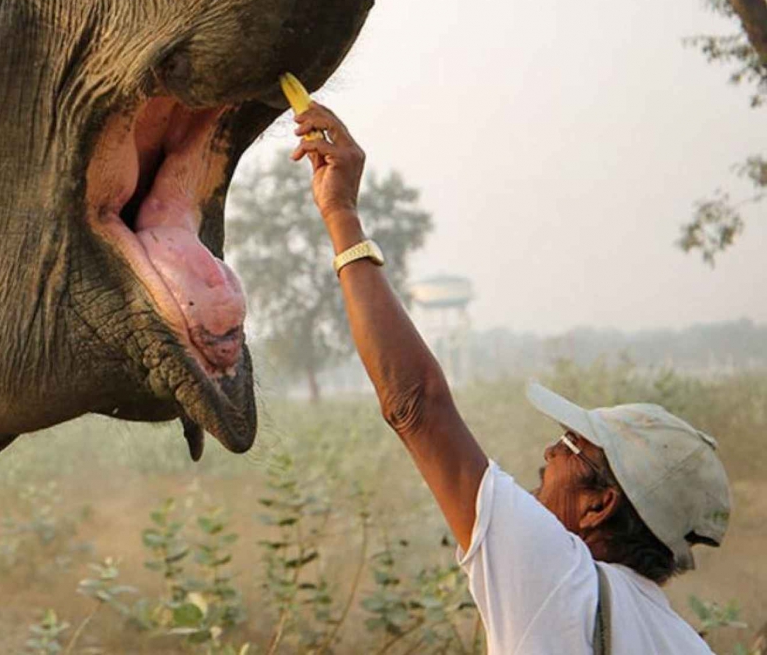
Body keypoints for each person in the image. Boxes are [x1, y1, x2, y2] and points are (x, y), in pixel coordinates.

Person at [289, 102, 731, 655]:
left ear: (600, 505)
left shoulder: (555, 575)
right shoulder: (685, 643)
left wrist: (341, 215)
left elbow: (415, 405)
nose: (549, 452)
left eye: (572, 445)